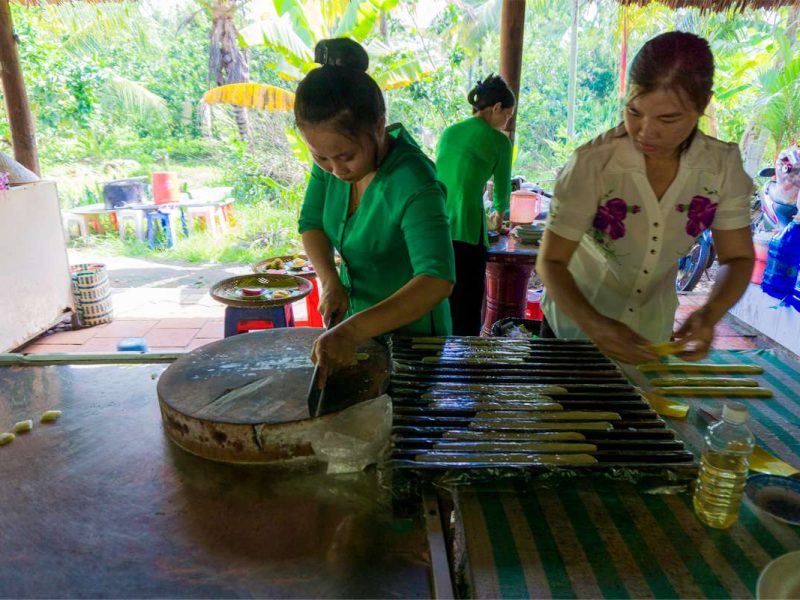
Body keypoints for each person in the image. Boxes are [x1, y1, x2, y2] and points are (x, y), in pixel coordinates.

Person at [536, 31, 754, 364]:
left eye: (669, 118)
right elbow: (550, 262)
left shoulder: (721, 168)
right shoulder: (594, 164)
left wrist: (710, 313)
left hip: (651, 333)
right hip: (572, 330)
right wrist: (597, 326)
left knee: (638, 416)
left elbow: (737, 258)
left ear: (704, 104)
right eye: (634, 111)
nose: (646, 131)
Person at [297, 38, 455, 385]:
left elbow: (437, 279)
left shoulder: (413, 182)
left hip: (414, 342)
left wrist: (351, 332)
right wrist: (330, 282)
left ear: (379, 126)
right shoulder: (331, 162)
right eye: (320, 157)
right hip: (360, 330)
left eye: (346, 156)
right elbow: (311, 224)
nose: (336, 170)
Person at [436, 75, 515, 335]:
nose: (507, 122)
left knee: (441, 296)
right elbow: (502, 190)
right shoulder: (499, 141)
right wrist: (499, 220)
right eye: (508, 115)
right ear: (496, 109)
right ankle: (466, 361)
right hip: (468, 229)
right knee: (468, 303)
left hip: (436, 224)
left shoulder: (449, 132)